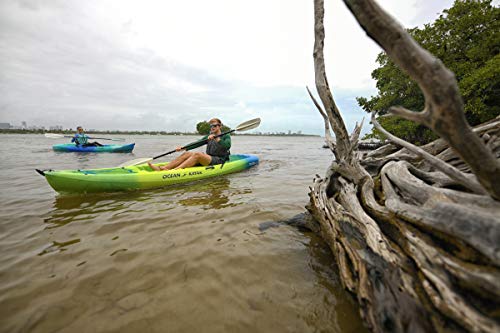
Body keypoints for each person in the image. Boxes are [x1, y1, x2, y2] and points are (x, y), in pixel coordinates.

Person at [149, 118, 231, 171]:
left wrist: (217, 139)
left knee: (198, 154)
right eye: (211, 126)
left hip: (219, 160)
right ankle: (164, 168)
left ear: (219, 126)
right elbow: (196, 143)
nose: (212, 127)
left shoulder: (226, 136)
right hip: (210, 158)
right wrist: (184, 148)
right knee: (187, 153)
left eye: (214, 126)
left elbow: (227, 146)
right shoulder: (208, 136)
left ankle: (174, 171)